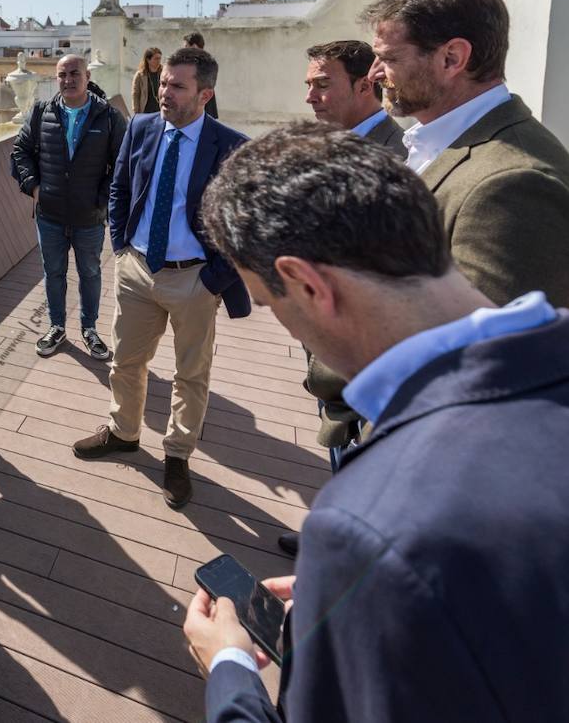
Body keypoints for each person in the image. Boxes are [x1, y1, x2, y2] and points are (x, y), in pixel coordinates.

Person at [185, 122, 569, 723]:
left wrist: (230, 668)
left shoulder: (369, 525)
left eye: (268, 302)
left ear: (309, 285)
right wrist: (356, 610)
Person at [72, 47, 249, 509]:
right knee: (126, 361)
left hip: (194, 279)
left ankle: (177, 455)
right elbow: (121, 186)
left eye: (177, 86)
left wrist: (215, 279)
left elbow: (242, 224)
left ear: (205, 94)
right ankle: (124, 432)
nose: (164, 93)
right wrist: (120, 246)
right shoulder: (142, 126)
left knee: (191, 375)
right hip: (136, 269)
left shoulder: (230, 145)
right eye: (164, 83)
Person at [365, 0, 569, 308]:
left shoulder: (513, 184)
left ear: (452, 58)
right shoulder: (437, 142)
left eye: (388, 58)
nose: (374, 74)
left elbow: (486, 352)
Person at [279, 39, 407, 557]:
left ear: (365, 84)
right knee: (344, 453)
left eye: (322, 83)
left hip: (370, 361)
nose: (310, 96)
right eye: (308, 84)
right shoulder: (336, 143)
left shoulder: (398, 158)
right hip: (333, 355)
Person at [9, 54, 127, 360]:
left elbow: (124, 165)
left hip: (89, 216)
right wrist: (34, 187)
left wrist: (101, 199)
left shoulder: (109, 117)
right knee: (54, 273)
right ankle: (56, 326)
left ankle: (89, 329)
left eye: (74, 73)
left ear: (87, 76)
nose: (68, 80)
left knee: (90, 273)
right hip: (50, 215)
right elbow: (19, 151)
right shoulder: (41, 111)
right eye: (62, 75)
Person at [183, 33, 219, 119]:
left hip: (202, 103)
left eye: (185, 46)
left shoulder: (204, 63)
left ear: (194, 46)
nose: (183, 50)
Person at [132, 46, 163, 114]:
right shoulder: (140, 75)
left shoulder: (163, 72)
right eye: (156, 59)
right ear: (148, 60)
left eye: (159, 58)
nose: (158, 61)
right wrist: (136, 112)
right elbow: (135, 94)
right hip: (146, 111)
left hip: (161, 111)